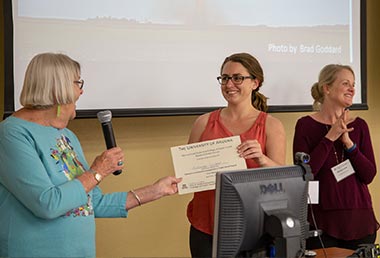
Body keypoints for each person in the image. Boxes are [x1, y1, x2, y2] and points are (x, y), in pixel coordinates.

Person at [0, 52, 182, 257]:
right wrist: (98, 171)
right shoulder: (12, 134)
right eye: (78, 83)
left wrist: (156, 190)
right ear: (58, 87)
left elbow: (94, 202)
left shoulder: (66, 135)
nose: (82, 91)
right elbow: (47, 204)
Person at [186, 52, 286, 257]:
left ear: (255, 83)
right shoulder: (203, 122)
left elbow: (283, 181)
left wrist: (262, 159)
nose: (229, 84)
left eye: (237, 78)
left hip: (253, 230)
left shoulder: (271, 125)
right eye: (224, 78)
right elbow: (188, 173)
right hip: (206, 228)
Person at [293, 64, 379, 250]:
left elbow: (369, 174)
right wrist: (330, 137)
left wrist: (349, 144)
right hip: (323, 224)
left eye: (353, 84)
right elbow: (304, 174)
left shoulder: (360, 125)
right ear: (327, 88)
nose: (352, 89)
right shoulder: (305, 125)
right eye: (345, 83)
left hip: (361, 221)